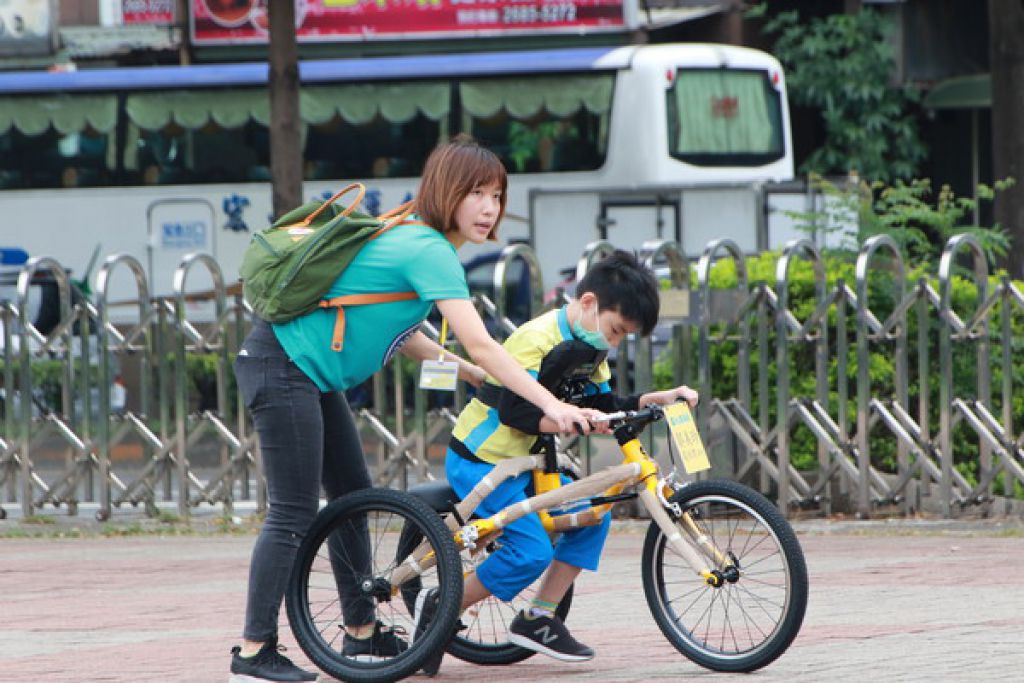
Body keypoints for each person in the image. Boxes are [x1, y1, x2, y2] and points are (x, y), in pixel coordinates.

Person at [228, 134, 599, 683]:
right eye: (476, 193)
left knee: (351, 499)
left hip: (307, 372)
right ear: (447, 191)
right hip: (283, 365)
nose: (489, 208)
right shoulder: (428, 248)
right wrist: (546, 401)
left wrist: (465, 372)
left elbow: (403, 330)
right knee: (292, 512)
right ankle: (253, 650)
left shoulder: (417, 237)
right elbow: (484, 343)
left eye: (497, 195)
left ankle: (360, 630)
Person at [416, 250, 699, 676]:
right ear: (588, 303)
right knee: (529, 552)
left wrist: (655, 399)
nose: (615, 343)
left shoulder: (590, 346)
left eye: (623, 337)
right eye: (616, 330)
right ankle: (441, 606)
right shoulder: (535, 338)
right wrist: (565, 417)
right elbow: (513, 411)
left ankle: (539, 617)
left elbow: (604, 405)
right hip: (483, 460)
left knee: (594, 516)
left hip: (528, 463)